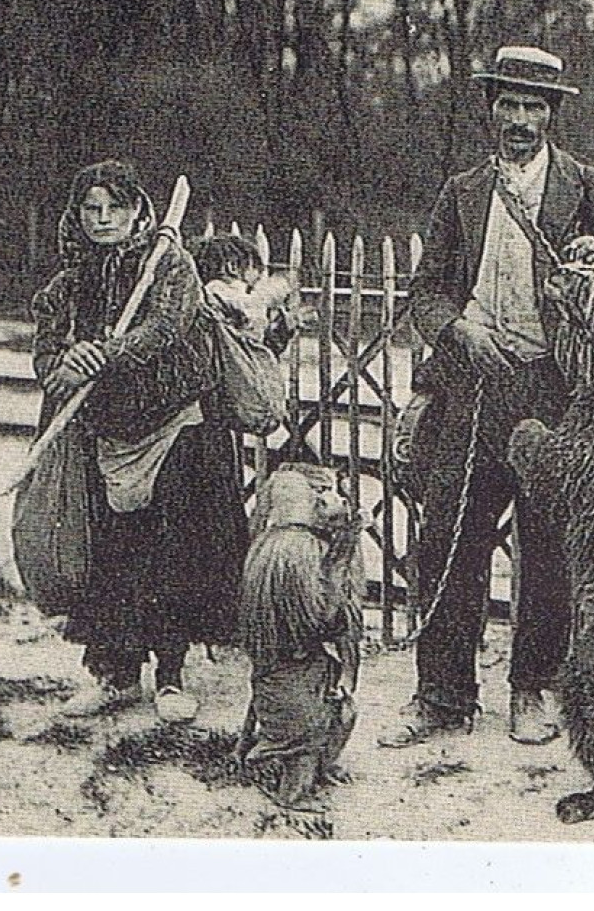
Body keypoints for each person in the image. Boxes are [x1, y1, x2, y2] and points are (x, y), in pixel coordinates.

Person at [379, 45, 594, 748]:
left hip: (553, 394)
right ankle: (442, 696)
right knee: (446, 542)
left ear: (552, 115)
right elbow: (425, 292)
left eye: (533, 106)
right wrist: (457, 328)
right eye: (508, 104)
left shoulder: (584, 189)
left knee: (546, 547)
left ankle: (533, 690)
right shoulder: (462, 191)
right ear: (489, 108)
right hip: (471, 388)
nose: (519, 119)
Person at [31, 160, 251, 723]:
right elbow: (47, 365)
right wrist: (67, 364)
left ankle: (172, 678)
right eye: (91, 209)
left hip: (176, 425)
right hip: (106, 435)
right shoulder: (65, 287)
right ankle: (114, 674)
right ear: (77, 215)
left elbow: (165, 329)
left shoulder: (168, 264)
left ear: (138, 211)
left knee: (172, 553)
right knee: (113, 556)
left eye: (115, 208)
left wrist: (106, 352)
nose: (103, 220)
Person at [237, 464, 364, 808]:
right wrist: (343, 556)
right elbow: (321, 620)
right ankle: (290, 793)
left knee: (339, 712)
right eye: (328, 493)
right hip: (291, 673)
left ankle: (315, 768)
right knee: (305, 737)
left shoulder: (276, 546)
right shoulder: (296, 552)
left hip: (299, 665)